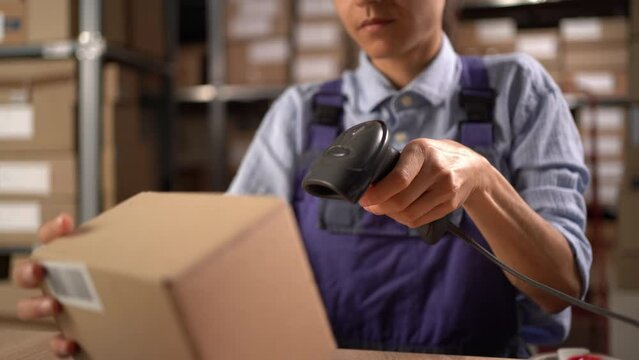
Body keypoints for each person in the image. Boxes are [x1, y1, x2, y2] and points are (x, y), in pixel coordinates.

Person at [13, 0, 591, 357]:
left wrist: (483, 182)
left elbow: (560, 286)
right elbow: (218, 274)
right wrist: (109, 307)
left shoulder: (518, 90)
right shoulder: (301, 110)